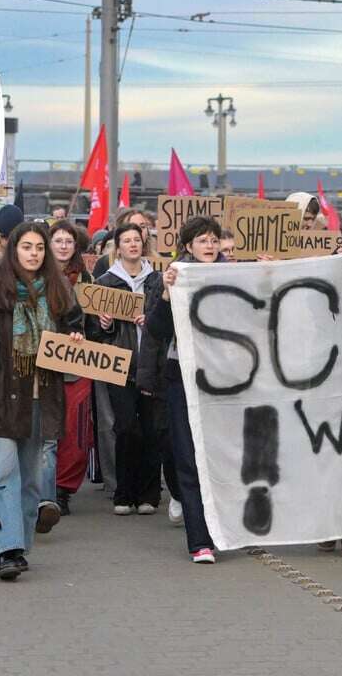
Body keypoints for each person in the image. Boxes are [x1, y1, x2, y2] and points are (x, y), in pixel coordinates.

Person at [0, 221, 83, 580]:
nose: (34, 254)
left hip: (41, 396)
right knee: (2, 473)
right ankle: (7, 549)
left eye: (39, 248)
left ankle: (19, 544)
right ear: (13, 250)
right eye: (27, 247)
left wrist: (76, 339)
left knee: (30, 481)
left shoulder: (59, 292)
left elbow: (77, 328)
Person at [145, 215, 224, 563]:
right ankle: (199, 540)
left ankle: (222, 529)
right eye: (202, 240)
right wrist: (165, 293)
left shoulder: (232, 275)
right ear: (188, 246)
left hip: (224, 378)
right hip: (183, 377)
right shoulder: (175, 277)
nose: (209, 246)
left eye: (213, 240)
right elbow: (157, 331)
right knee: (189, 459)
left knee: (219, 459)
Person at [91, 223, 166, 516]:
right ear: (118, 247)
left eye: (137, 240)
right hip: (119, 366)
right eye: (127, 241)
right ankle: (123, 492)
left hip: (151, 365)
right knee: (124, 428)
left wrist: (153, 322)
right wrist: (104, 325)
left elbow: (168, 320)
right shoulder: (105, 282)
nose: (133, 245)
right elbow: (93, 333)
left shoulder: (157, 281)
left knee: (151, 429)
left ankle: (149, 494)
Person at [48, 221, 93, 517]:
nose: (63, 246)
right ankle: (43, 487)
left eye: (69, 241)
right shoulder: (34, 274)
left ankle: (63, 489)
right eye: (58, 240)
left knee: (75, 430)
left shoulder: (88, 278)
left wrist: (101, 323)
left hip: (76, 362)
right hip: (43, 360)